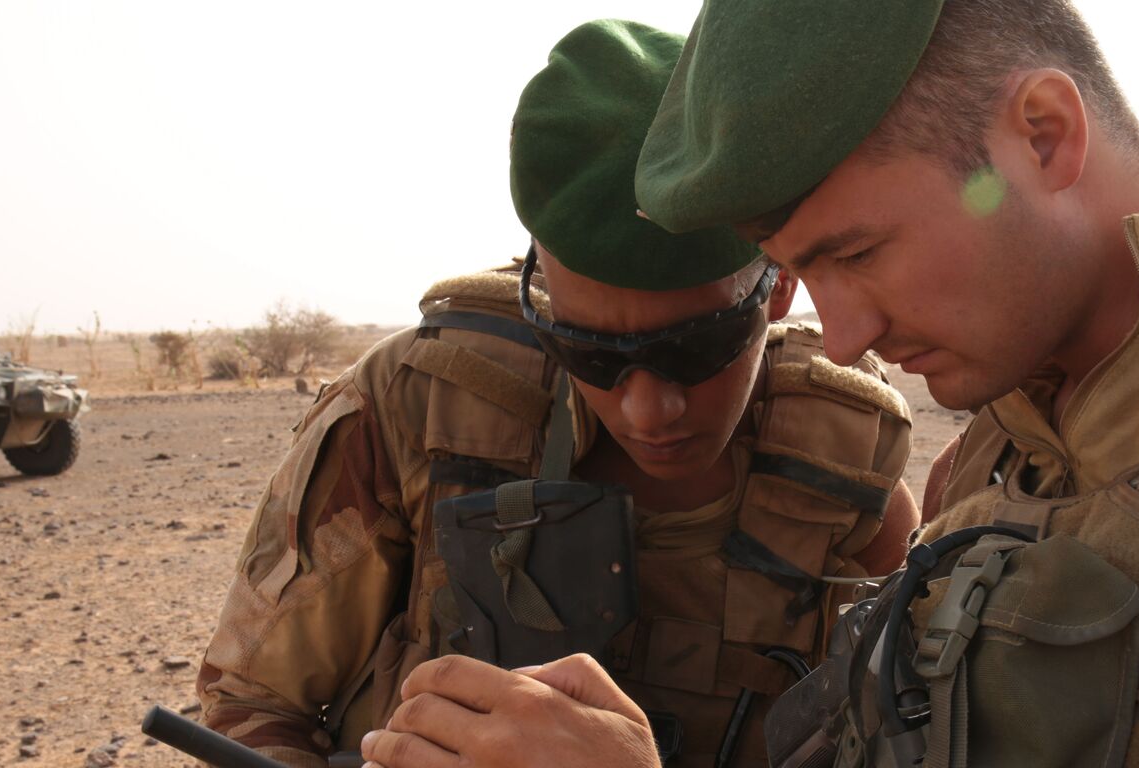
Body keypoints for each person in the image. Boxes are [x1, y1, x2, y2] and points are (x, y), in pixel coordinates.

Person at [365, 1, 1139, 767]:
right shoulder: (996, 466)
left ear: (1042, 134)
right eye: (802, 276)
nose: (851, 335)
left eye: (857, 254)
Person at [200, 19, 918, 768]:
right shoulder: (422, 406)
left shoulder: (842, 473)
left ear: (780, 286)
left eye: (693, 348)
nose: (648, 410)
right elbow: (250, 701)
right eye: (589, 350)